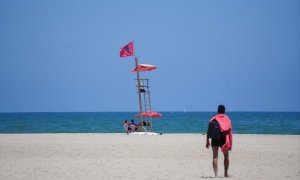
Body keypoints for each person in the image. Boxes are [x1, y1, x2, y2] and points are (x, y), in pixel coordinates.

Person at [206, 105, 233, 178]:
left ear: (217, 110)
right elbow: (229, 131)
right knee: (226, 156)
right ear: (224, 111)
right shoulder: (227, 119)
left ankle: (216, 175)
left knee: (215, 157)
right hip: (224, 139)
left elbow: (208, 131)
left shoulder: (213, 119)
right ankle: (226, 174)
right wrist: (229, 142)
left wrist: (207, 141)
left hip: (214, 138)